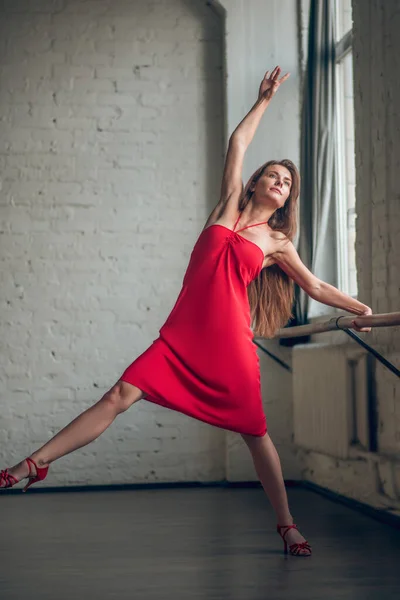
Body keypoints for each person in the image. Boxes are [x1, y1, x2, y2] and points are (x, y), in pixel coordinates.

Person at [1, 66, 372, 557]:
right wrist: (263, 100)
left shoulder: (277, 242)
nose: (280, 183)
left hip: (230, 346)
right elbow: (238, 144)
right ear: (257, 182)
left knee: (255, 433)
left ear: (287, 198)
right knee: (118, 395)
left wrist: (359, 306)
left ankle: (285, 524)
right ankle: (34, 464)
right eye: (274, 176)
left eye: (287, 182)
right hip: (180, 339)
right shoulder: (226, 210)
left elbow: (316, 285)